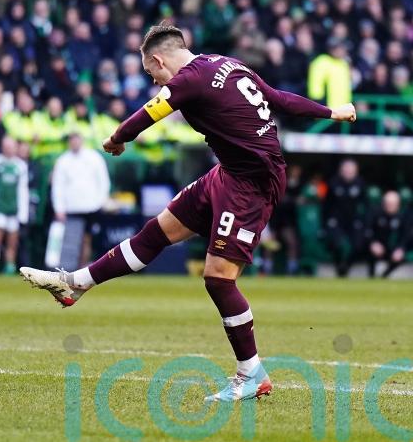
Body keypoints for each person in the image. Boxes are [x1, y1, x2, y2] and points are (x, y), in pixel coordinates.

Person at [20, 23, 356, 403]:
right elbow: (279, 98)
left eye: (152, 73)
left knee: (219, 279)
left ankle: (252, 373)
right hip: (228, 174)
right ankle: (76, 284)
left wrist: (117, 139)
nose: (155, 80)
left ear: (159, 60)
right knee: (156, 232)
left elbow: (149, 113)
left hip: (252, 185)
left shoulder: (189, 79)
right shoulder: (229, 64)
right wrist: (332, 111)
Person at [51, 132, 111, 265]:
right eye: (72, 139)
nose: (74, 142)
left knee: (87, 239)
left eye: (76, 139)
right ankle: (68, 268)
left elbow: (103, 181)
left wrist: (100, 202)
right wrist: (59, 208)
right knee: (71, 240)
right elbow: (58, 186)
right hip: (71, 208)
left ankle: (82, 269)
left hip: (91, 207)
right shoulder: (63, 161)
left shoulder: (94, 158)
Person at [0, 135, 28, 275]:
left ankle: (9, 268)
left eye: (11, 146)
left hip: (13, 210)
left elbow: (22, 190)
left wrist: (23, 214)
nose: (9, 149)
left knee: (12, 242)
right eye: (6, 146)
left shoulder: (20, 165)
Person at [323, 159, 366, 277]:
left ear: (356, 171)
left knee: (358, 245)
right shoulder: (333, 183)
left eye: (351, 170)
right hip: (336, 220)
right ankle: (338, 266)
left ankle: (346, 266)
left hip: (353, 220)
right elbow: (326, 205)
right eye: (346, 170)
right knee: (337, 245)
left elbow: (365, 204)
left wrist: (362, 220)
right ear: (341, 170)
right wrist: (325, 223)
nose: (348, 172)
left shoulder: (360, 184)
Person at [367, 190, 410, 279]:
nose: (390, 206)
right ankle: (371, 276)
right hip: (378, 247)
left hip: (393, 248)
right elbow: (368, 230)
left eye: (393, 204)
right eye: (388, 203)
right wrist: (373, 243)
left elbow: (406, 235)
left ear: (398, 204)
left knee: (401, 256)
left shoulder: (403, 217)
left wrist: (401, 249)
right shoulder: (376, 213)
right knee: (367, 250)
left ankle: (384, 276)